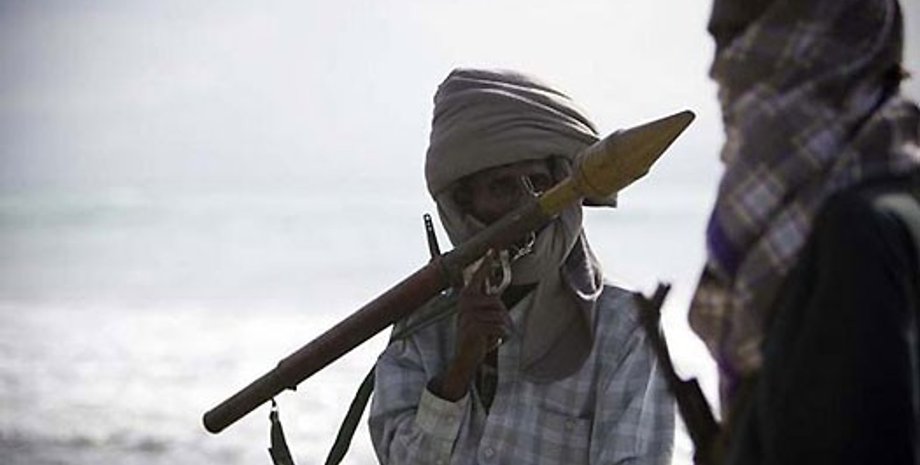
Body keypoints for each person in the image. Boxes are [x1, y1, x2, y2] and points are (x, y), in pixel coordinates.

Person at [368, 68, 674, 465]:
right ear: (464, 204)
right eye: (502, 186)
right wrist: (459, 370)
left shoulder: (624, 327)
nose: (528, 205)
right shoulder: (421, 326)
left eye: (539, 183)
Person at [688, 0, 920, 463]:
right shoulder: (865, 209)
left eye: (734, 38)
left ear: (816, 33)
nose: (716, 71)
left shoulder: (858, 231)